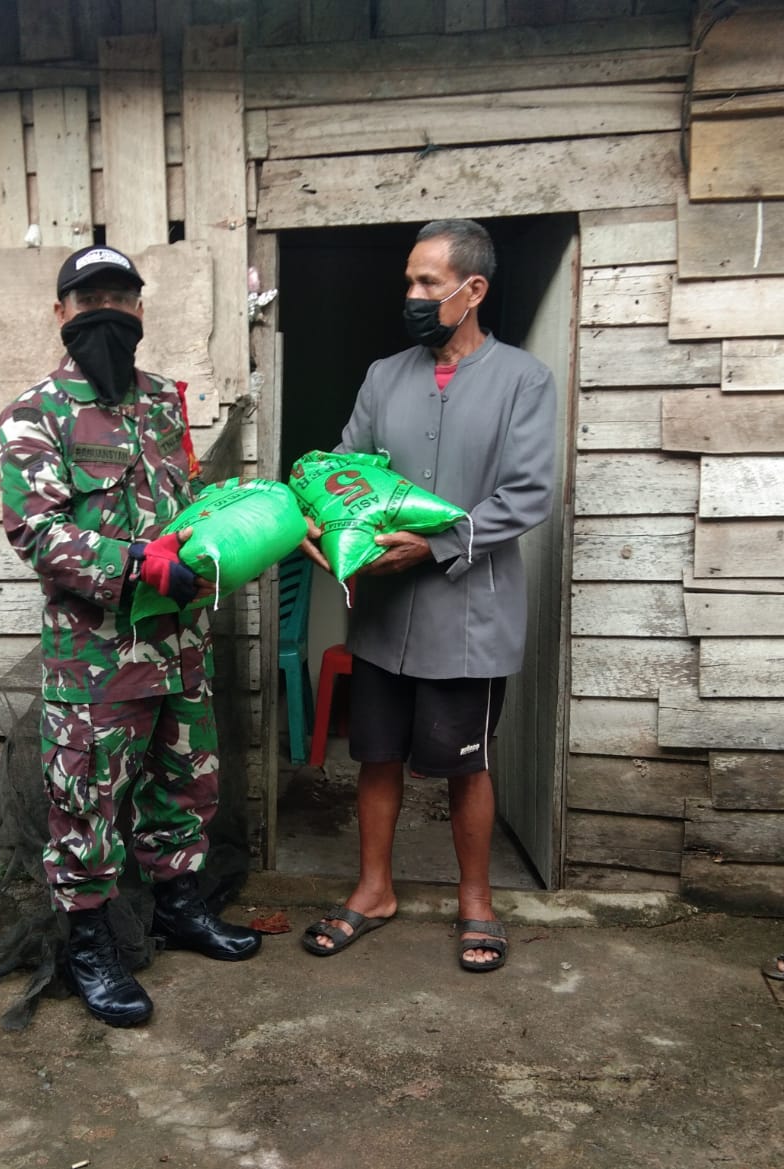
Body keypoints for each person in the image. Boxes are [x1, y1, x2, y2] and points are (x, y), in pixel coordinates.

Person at [0, 244, 260, 1028]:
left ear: (142, 311)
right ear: (61, 314)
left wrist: (231, 529)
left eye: (122, 298)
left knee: (186, 784)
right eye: (90, 300)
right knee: (87, 803)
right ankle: (88, 950)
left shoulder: (162, 404)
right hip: (96, 659)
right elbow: (37, 535)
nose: (107, 312)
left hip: (179, 644)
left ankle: (179, 907)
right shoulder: (34, 415)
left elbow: (186, 502)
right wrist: (138, 563)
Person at [299, 219, 556, 972]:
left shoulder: (522, 379)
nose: (411, 295)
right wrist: (321, 516)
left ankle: (476, 900)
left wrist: (438, 542)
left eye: (427, 283)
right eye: (408, 280)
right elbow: (344, 462)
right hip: (382, 613)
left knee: (466, 762)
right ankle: (373, 889)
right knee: (374, 755)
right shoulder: (385, 376)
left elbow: (529, 491)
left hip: (468, 614)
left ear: (473, 290)